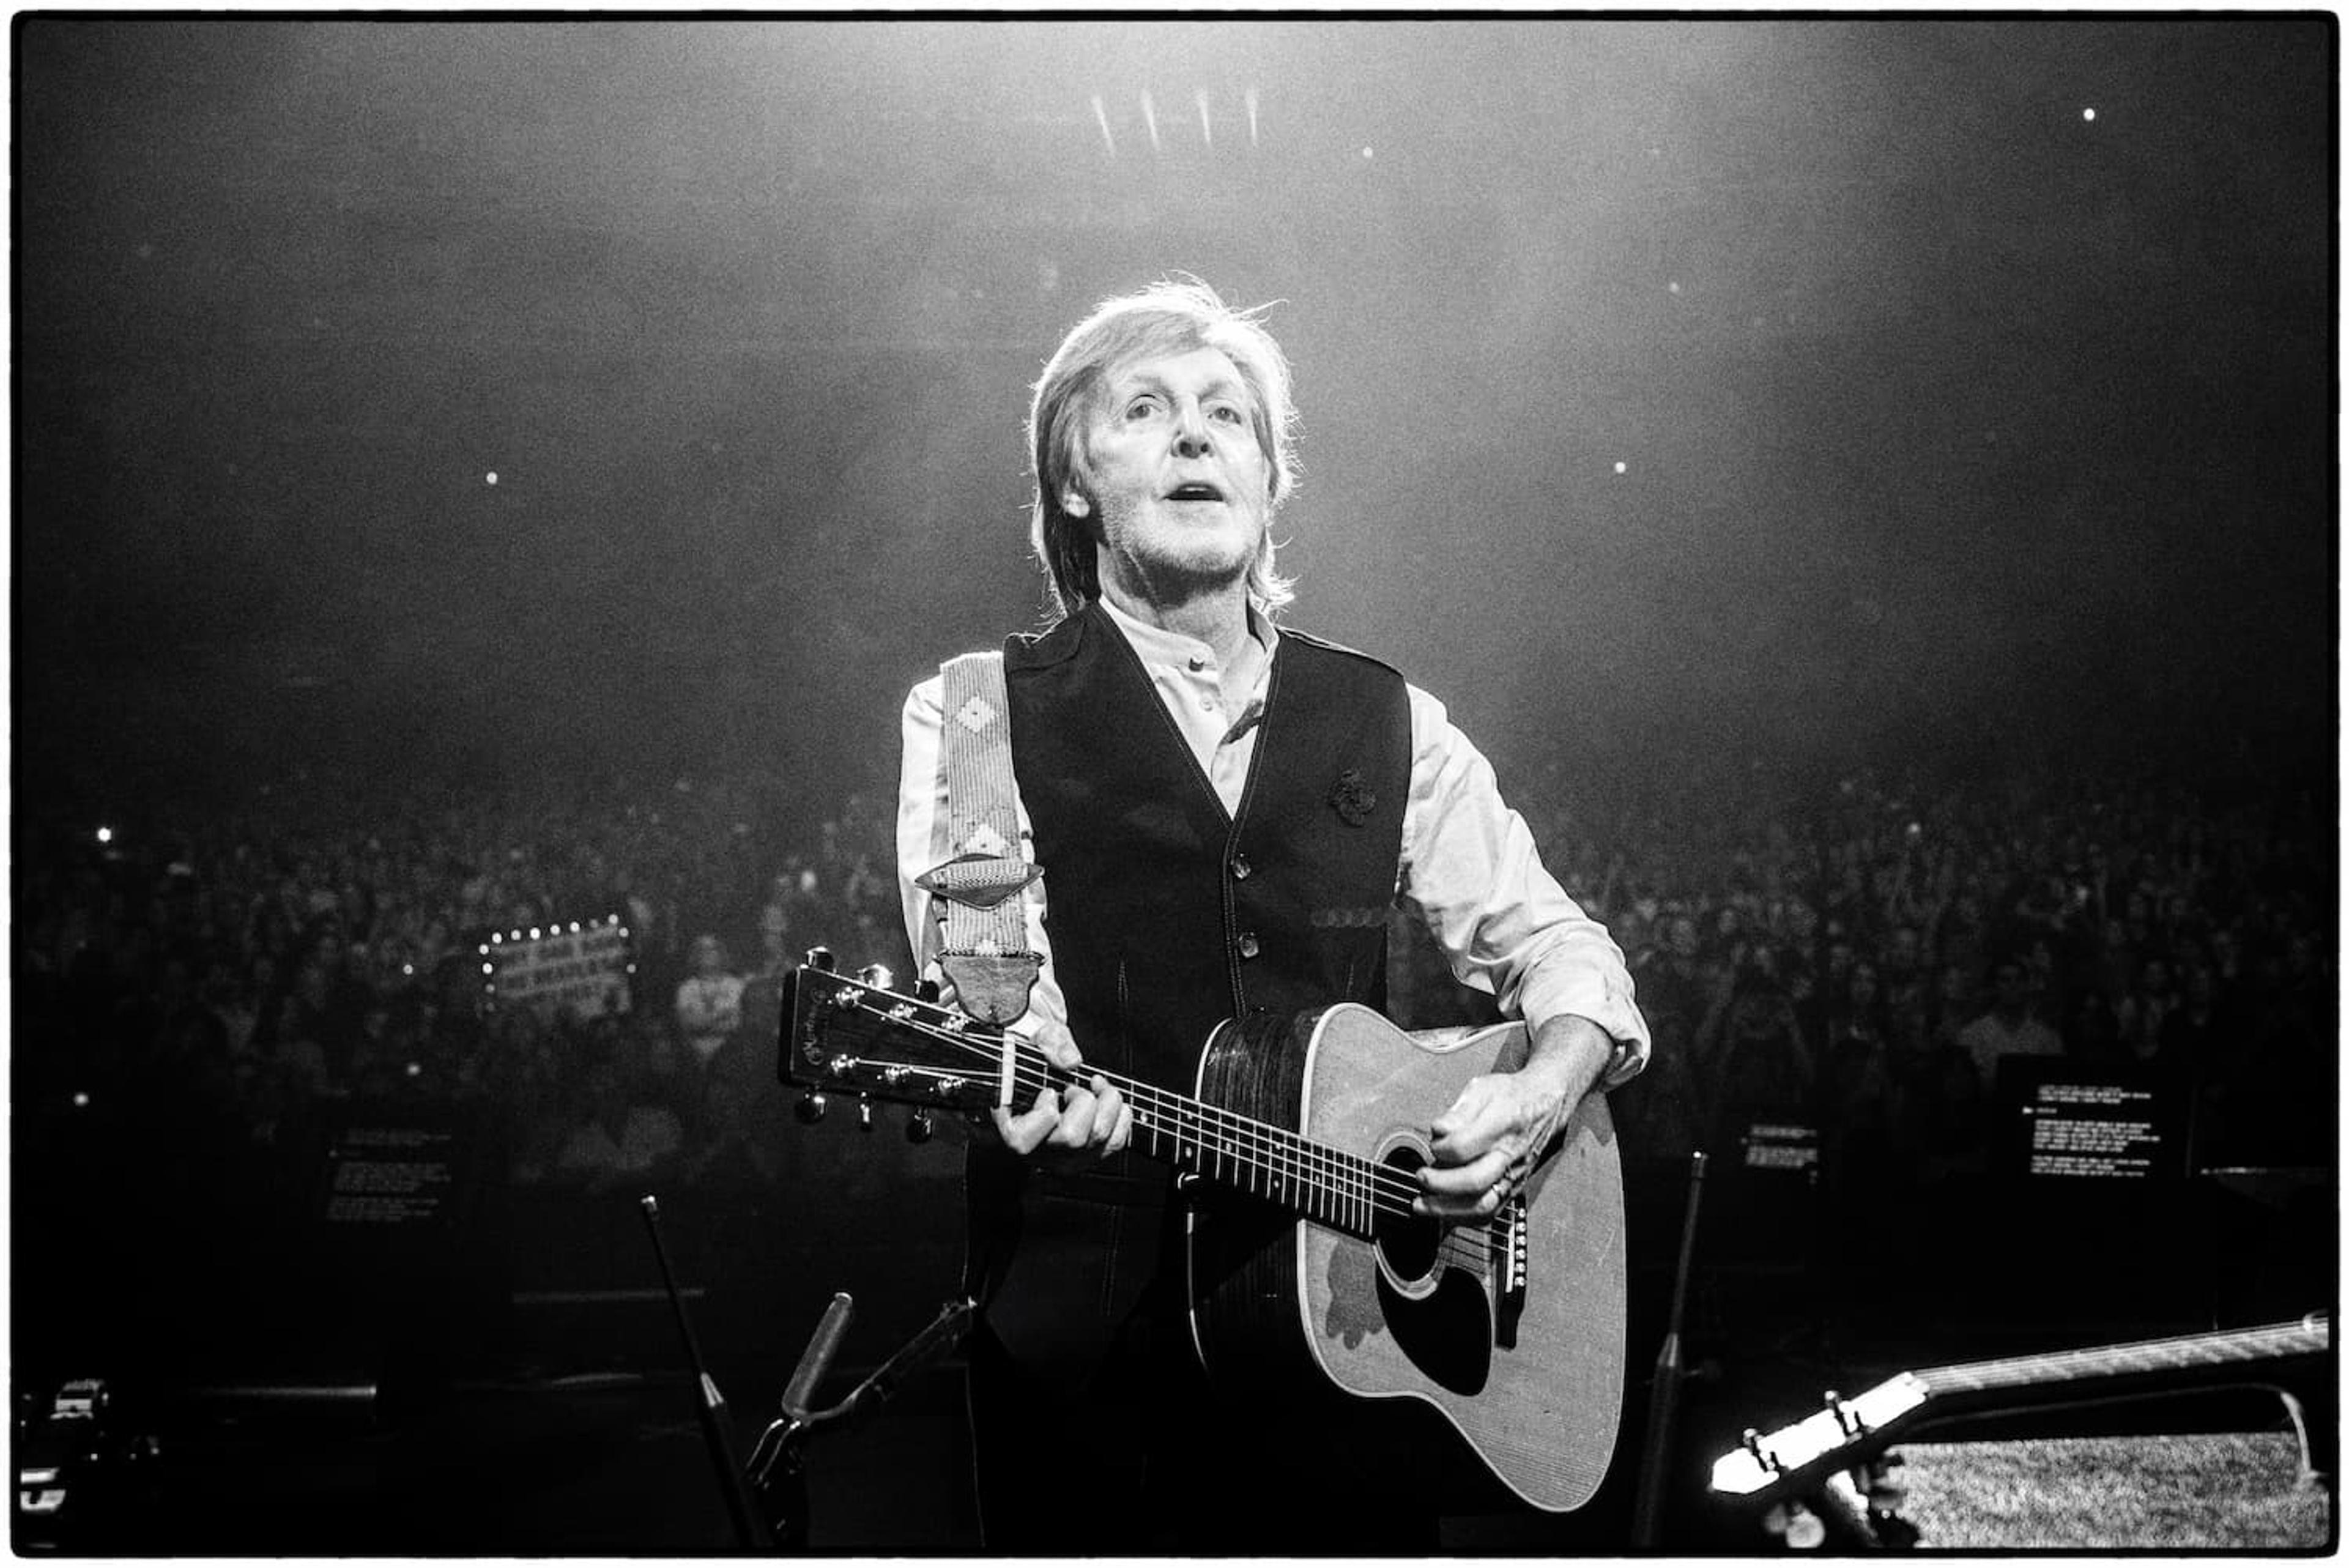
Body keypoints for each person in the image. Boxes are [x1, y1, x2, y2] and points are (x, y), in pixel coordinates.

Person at [894, 278, 1649, 1553]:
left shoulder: (1391, 718)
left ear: (1266, 478)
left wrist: (1542, 1088)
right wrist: (1037, 1079)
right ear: (1076, 484)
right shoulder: (975, 712)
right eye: (1147, 409)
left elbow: (1564, 949)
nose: (1198, 436)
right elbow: (997, 1000)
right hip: (1093, 1375)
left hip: (1354, 1368)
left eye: (1230, 416)